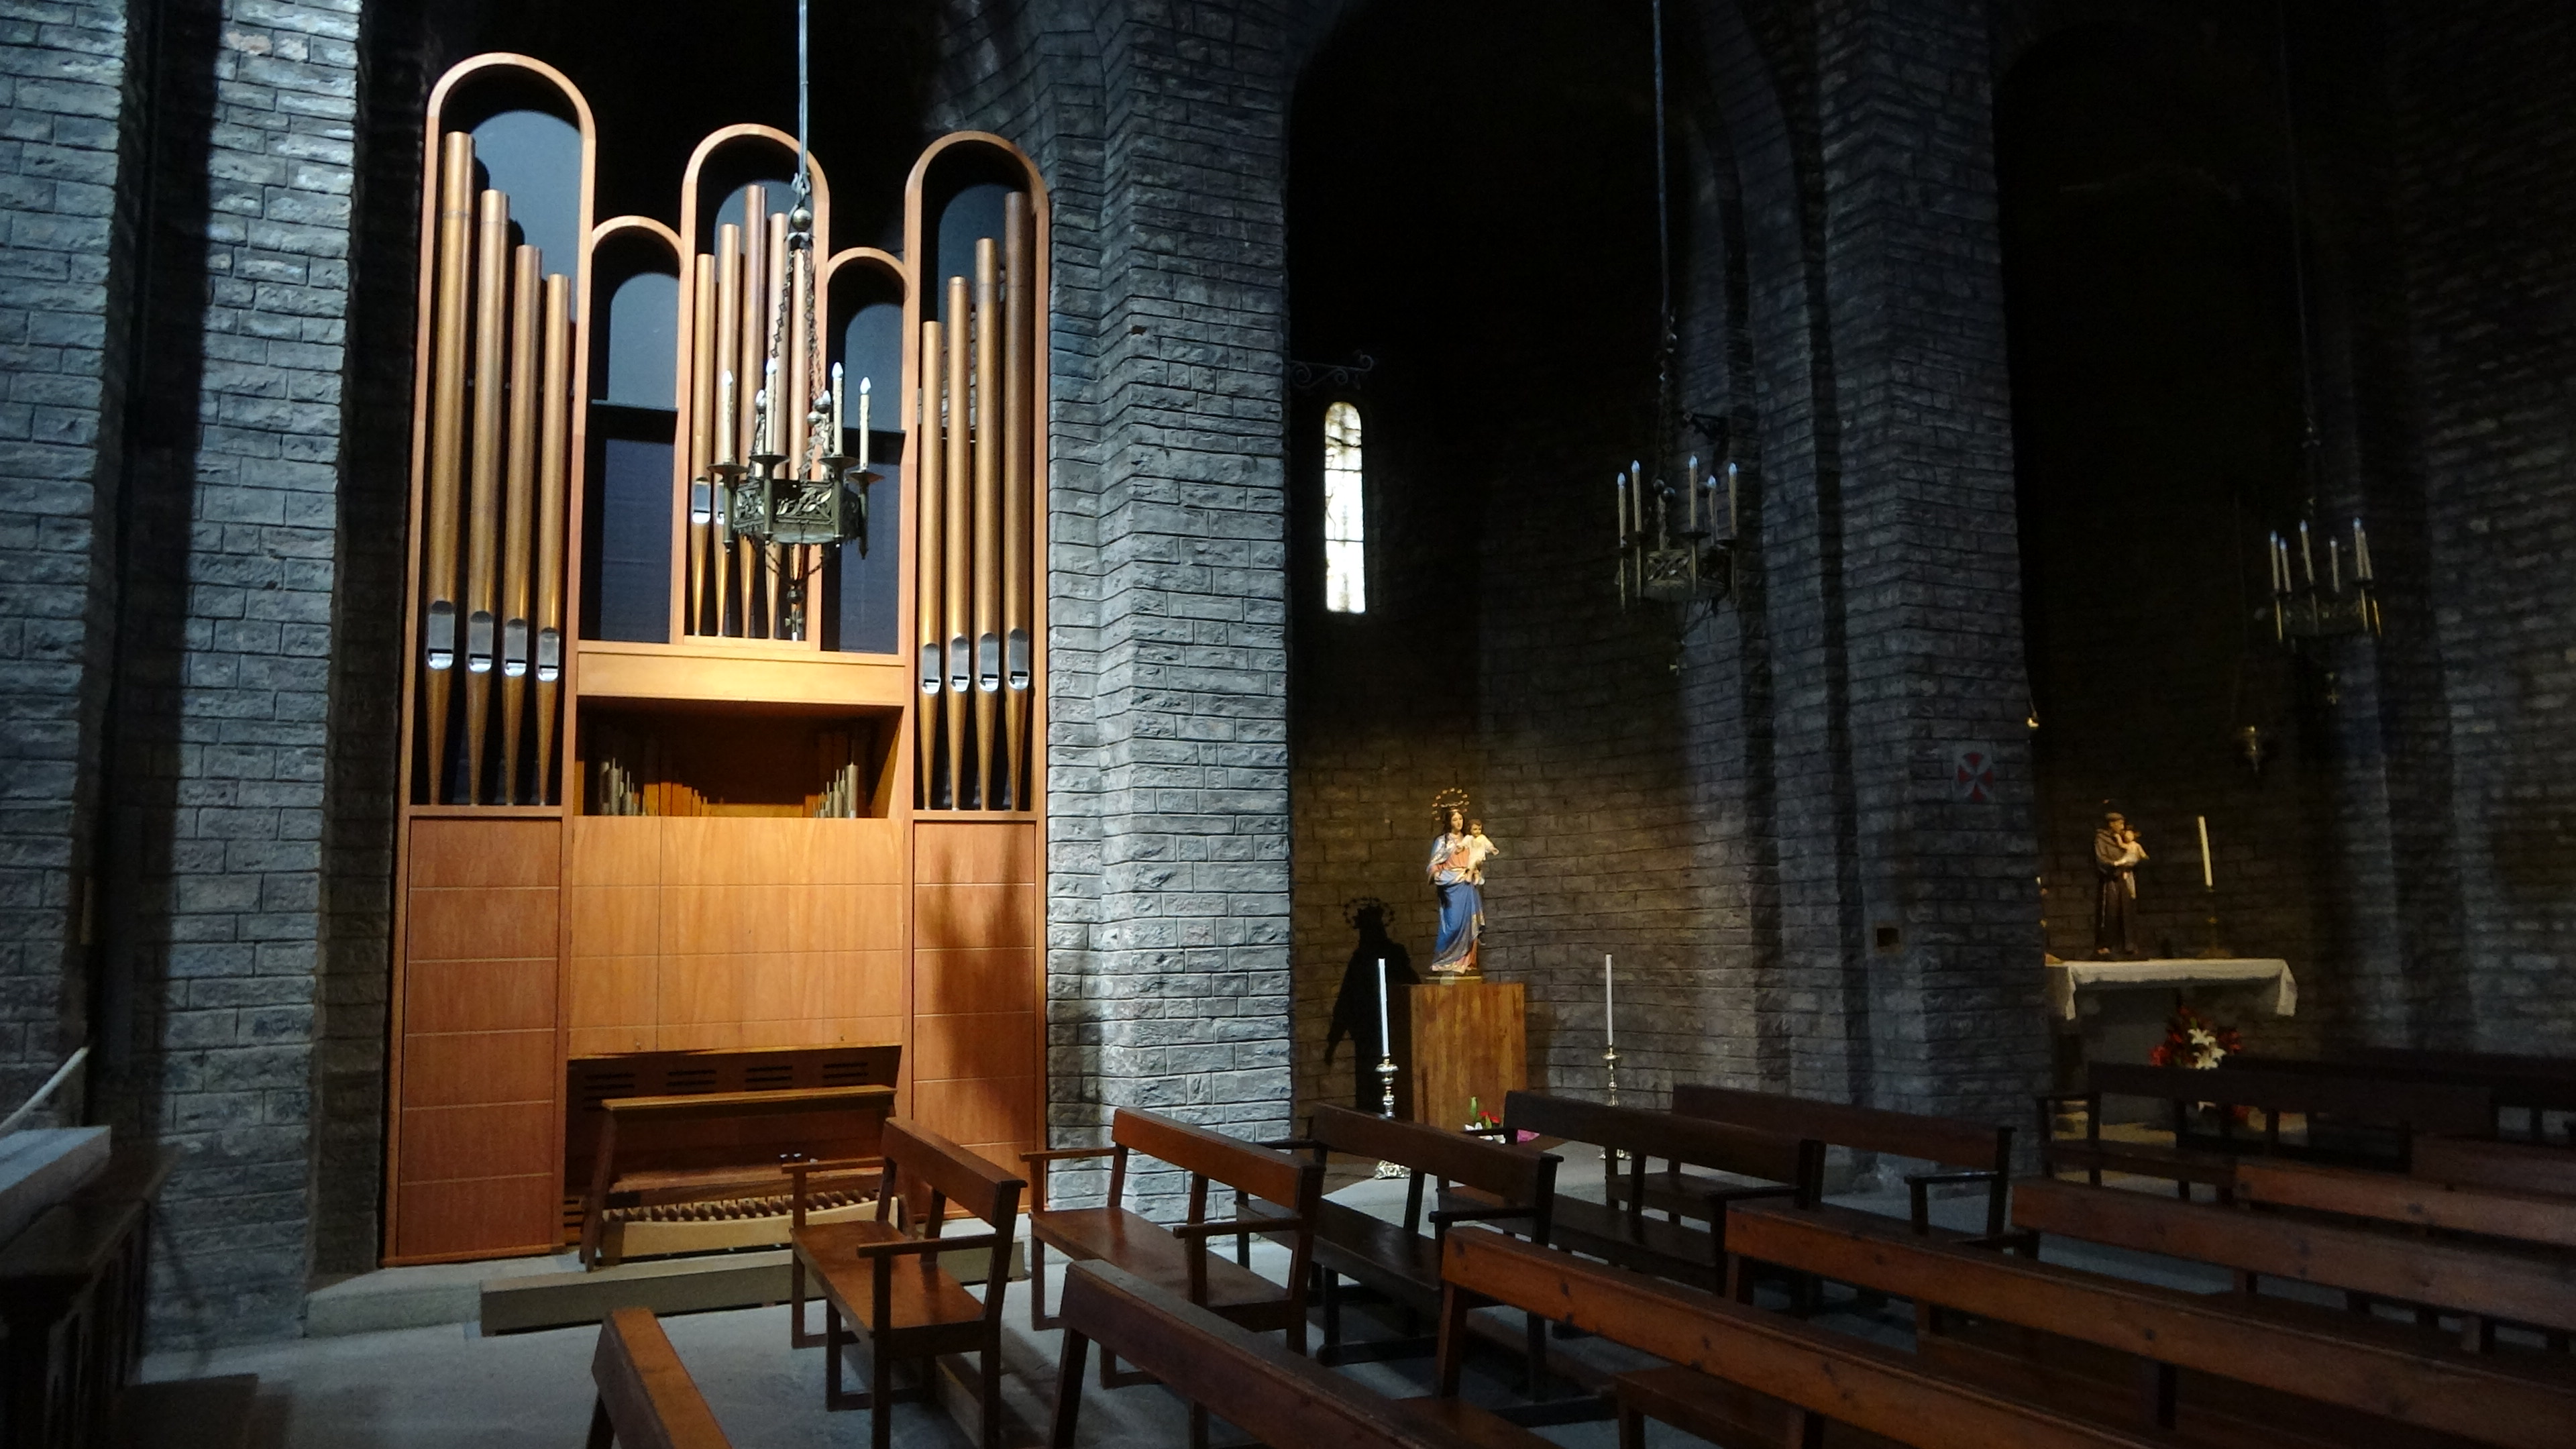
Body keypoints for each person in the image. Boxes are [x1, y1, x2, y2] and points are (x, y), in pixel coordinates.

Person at [1324, 900, 1415, 1112]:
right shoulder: (1361, 958)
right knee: (1369, 1087)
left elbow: (1411, 984)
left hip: (1393, 1029)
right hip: (1368, 1033)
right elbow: (1347, 1000)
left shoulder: (1394, 954)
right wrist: (1332, 1042)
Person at [1428, 799, 1497, 977]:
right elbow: (1434, 865)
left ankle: (1467, 963)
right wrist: (1438, 875)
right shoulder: (1443, 841)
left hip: (1468, 885)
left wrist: (1478, 866)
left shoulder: (1470, 840)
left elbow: (1476, 859)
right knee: (1453, 926)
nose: (1458, 823)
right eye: (1454, 820)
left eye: (1460, 819)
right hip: (1451, 886)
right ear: (1448, 822)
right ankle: (1446, 961)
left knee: (1469, 924)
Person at [2093, 810, 2147, 958]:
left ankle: (2128, 945)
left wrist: (2132, 863)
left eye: (2123, 823)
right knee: (2110, 911)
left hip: (2124, 878)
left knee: (2127, 911)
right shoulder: (2101, 839)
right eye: (2120, 823)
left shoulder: (2123, 840)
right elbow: (2102, 859)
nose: (2122, 827)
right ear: (2111, 824)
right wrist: (2115, 866)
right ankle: (2106, 945)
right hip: (2111, 879)